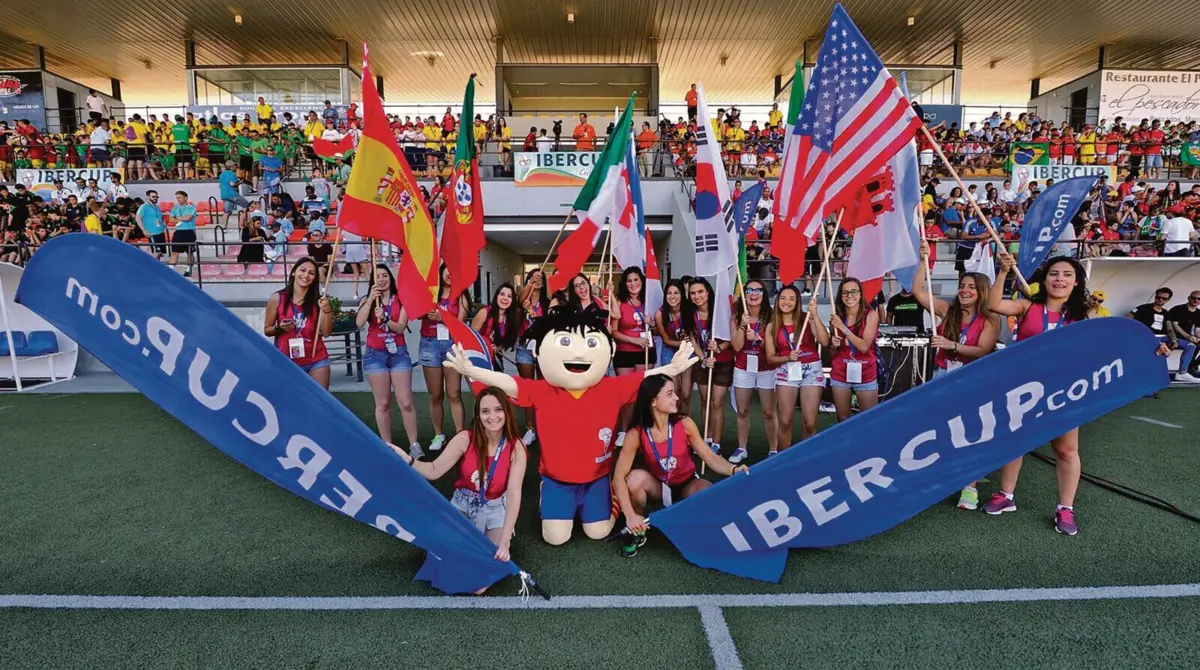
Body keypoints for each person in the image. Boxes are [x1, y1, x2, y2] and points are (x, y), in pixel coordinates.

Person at [443, 307, 697, 546]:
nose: (578, 354)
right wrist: (473, 371)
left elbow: (644, 379)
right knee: (556, 538)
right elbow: (506, 382)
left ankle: (612, 498)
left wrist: (671, 368)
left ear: (607, 349)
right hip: (557, 481)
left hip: (595, 479)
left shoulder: (610, 388)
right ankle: (552, 500)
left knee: (597, 533)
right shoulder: (542, 390)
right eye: (564, 342)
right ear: (539, 351)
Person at [985, 252, 1102, 535]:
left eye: (1066, 275)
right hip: (1023, 389)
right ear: (1044, 279)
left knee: (1065, 450)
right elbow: (993, 304)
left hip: (1064, 392)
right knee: (1015, 443)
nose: (1059, 279)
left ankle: (1065, 508)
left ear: (1076, 282)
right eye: (1054, 274)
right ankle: (1007, 496)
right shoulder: (1027, 306)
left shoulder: (1084, 316)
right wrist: (1003, 272)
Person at [612, 374, 750, 557]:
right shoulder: (636, 434)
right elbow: (618, 477)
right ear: (653, 401)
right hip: (659, 486)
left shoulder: (684, 424)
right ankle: (637, 530)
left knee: (709, 494)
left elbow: (709, 457)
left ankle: (695, 527)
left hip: (686, 483)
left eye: (675, 393)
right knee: (634, 480)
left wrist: (733, 469)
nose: (677, 398)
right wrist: (629, 515)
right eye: (670, 394)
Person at [390, 387, 527, 569]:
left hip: (495, 510)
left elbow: (514, 494)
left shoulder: (516, 446)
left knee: (486, 570)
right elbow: (433, 470)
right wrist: (407, 459)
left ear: (507, 412)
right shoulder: (465, 438)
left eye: (498, 409)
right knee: (446, 559)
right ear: (477, 415)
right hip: (462, 505)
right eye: (485, 411)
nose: (492, 416)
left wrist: (505, 539)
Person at [913, 242, 1000, 510]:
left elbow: (983, 350)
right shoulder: (946, 310)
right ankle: (942, 478)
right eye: (962, 285)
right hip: (943, 376)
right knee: (939, 430)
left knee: (970, 433)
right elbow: (917, 290)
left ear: (982, 291)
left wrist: (952, 346)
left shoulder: (991, 318)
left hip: (972, 379)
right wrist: (923, 260)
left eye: (972, 287)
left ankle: (970, 487)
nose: (965, 290)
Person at [357, 263, 421, 455]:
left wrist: (385, 319)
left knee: (406, 401)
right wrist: (370, 301)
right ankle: (388, 446)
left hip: (398, 354)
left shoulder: (401, 299)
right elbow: (359, 322)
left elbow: (401, 327)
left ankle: (414, 445)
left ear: (390, 278)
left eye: (385, 275)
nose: (382, 279)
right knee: (383, 403)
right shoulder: (367, 299)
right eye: (378, 276)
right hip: (375, 355)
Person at [765, 285, 828, 451]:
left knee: (810, 422)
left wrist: (815, 316)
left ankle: (805, 457)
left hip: (811, 370)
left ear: (797, 302)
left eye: (792, 299)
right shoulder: (772, 326)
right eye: (783, 298)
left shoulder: (807, 318)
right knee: (785, 421)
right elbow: (770, 358)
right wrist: (787, 357)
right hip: (786, 369)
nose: (787, 302)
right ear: (778, 300)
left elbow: (824, 341)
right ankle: (784, 458)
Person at [419, 265, 472, 452]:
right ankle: (439, 434)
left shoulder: (462, 296)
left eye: (453, 270)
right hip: (429, 344)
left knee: (454, 393)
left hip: (452, 345)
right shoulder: (430, 293)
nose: (450, 273)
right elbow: (415, 311)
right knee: (435, 395)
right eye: (446, 270)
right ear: (440, 273)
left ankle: (460, 435)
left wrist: (443, 318)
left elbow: (461, 324)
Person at [263, 258, 333, 388]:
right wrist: (279, 328)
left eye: (311, 273)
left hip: (316, 359)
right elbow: (267, 330)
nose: (306, 275)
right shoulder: (277, 298)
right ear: (294, 272)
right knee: (291, 403)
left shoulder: (319, 301)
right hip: (287, 360)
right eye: (303, 270)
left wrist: (327, 311)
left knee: (320, 403)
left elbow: (326, 332)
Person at [683, 277, 734, 453]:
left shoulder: (720, 311)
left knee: (717, 402)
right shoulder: (690, 314)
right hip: (703, 362)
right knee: (705, 401)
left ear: (708, 292)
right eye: (692, 293)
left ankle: (717, 443)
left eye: (700, 292)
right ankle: (707, 437)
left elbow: (731, 337)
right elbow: (694, 339)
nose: (697, 296)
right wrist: (703, 358)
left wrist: (719, 347)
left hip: (723, 361)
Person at [729, 279, 776, 463]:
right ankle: (742, 448)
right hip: (743, 368)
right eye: (749, 290)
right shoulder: (737, 316)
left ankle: (773, 449)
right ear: (745, 294)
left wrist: (758, 338)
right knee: (742, 410)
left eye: (758, 290)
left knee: (769, 412)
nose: (754, 294)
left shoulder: (771, 316)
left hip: (767, 369)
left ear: (764, 294)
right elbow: (736, 346)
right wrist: (742, 326)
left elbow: (775, 349)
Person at [828, 278, 880, 421]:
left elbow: (864, 347)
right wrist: (833, 345)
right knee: (842, 420)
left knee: (868, 420)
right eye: (845, 293)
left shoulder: (871, 315)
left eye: (853, 292)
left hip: (866, 373)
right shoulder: (837, 316)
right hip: (840, 373)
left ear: (861, 294)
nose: (849, 296)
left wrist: (843, 328)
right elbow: (832, 354)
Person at [516, 268, 549, 444]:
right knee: (528, 389)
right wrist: (529, 285)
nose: (537, 280)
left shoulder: (548, 303)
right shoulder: (522, 301)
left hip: (543, 349)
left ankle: (544, 425)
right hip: (524, 349)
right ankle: (530, 428)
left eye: (540, 278)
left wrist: (533, 313)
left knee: (543, 389)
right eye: (533, 277)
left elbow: (545, 325)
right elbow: (520, 299)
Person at [654, 279, 692, 416]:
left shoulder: (689, 310)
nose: (672, 296)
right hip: (670, 349)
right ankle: (674, 423)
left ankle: (686, 421)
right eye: (669, 293)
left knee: (686, 394)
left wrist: (688, 343)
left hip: (687, 350)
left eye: (676, 292)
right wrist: (683, 343)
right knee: (674, 391)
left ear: (682, 294)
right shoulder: (660, 314)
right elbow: (666, 340)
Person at [472, 283, 522, 372]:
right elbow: (470, 336)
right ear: (496, 296)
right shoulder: (484, 313)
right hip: (479, 357)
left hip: (495, 358)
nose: (505, 298)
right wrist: (485, 346)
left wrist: (498, 347)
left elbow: (508, 341)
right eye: (502, 294)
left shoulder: (512, 318)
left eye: (509, 296)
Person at [167, 191, 197, 278]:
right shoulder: (175, 208)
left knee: (189, 252)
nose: (178, 200)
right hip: (178, 232)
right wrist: (180, 219)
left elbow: (188, 218)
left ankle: (189, 269)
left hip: (188, 231)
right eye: (177, 198)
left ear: (185, 198)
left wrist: (176, 217)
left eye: (179, 198)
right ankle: (171, 269)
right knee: (174, 252)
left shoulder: (191, 208)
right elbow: (170, 220)